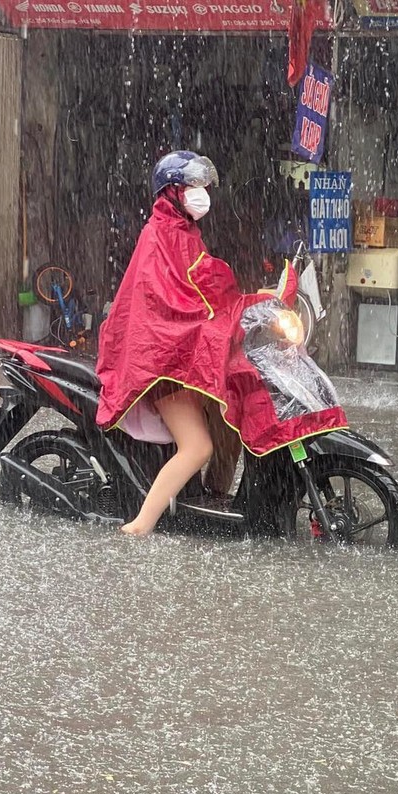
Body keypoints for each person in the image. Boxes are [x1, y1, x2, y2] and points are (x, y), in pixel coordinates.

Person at [95, 150, 242, 537]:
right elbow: (164, 306)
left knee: (232, 427)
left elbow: (202, 291)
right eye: (193, 186)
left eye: (202, 186)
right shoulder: (158, 235)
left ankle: (208, 504)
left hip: (186, 359)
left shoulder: (186, 233)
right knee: (199, 447)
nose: (201, 193)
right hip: (164, 365)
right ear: (173, 192)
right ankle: (141, 525)